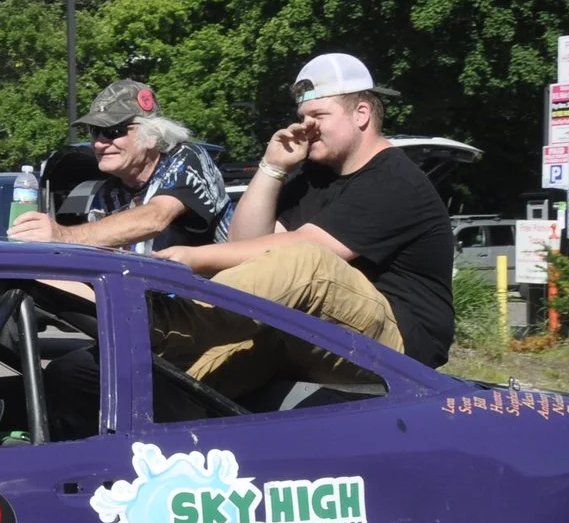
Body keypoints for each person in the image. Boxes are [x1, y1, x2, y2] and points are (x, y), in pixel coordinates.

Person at [157, 52, 455, 381]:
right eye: (301, 116)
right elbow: (246, 246)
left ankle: (160, 323)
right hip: (324, 325)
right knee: (188, 379)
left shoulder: (395, 181)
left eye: (318, 115)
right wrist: (273, 168)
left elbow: (308, 250)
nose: (305, 127)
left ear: (361, 114)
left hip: (399, 342)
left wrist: (191, 257)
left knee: (309, 263)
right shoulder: (315, 177)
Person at [9, 79, 230, 254]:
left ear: (151, 136)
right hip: (149, 303)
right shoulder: (108, 194)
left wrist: (62, 235)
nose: (98, 143)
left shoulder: (186, 158)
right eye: (95, 132)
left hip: (213, 303)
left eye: (113, 132)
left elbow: (154, 219)